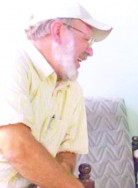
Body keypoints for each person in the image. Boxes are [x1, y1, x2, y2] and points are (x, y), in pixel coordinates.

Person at [0, 1, 112, 187]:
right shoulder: (10, 62)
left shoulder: (73, 90)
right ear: (58, 30)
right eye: (87, 39)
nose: (90, 51)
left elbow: (67, 153)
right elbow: (15, 145)